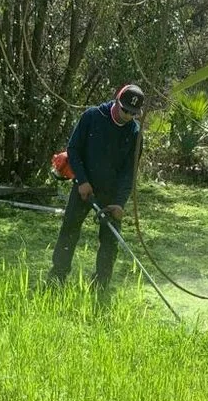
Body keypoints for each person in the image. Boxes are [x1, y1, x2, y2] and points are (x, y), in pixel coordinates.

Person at [48, 84, 144, 290]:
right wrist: (81, 180)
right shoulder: (92, 116)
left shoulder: (135, 134)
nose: (127, 115)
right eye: (125, 109)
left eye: (133, 113)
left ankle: (100, 285)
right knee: (69, 231)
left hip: (111, 194)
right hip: (84, 188)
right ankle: (57, 276)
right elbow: (73, 149)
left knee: (109, 241)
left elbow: (129, 173)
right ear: (117, 100)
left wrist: (119, 203)